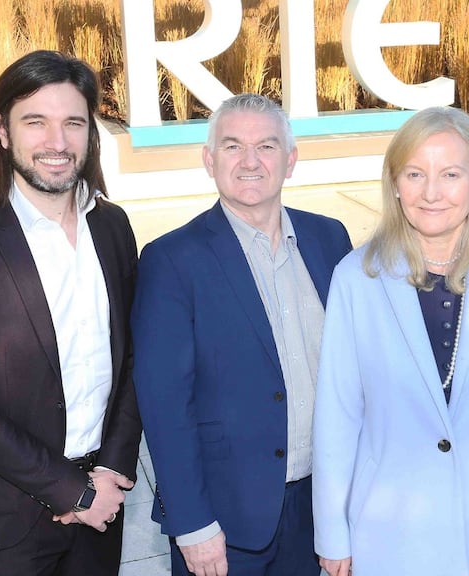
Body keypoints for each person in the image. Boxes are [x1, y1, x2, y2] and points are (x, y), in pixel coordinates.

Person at [0, 50, 142, 576]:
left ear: (92, 133)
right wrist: (73, 491)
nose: (57, 143)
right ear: (2, 131)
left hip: (102, 502)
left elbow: (134, 359)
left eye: (73, 123)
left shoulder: (113, 228)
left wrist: (110, 468)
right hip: (7, 521)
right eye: (35, 122)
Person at [312, 106, 469, 575]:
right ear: (395, 183)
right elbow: (338, 415)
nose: (431, 193)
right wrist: (332, 530)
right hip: (390, 533)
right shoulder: (356, 277)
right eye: (414, 173)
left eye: (450, 174)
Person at [131, 93, 353, 576]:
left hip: (323, 508)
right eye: (233, 146)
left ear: (290, 160)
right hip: (226, 523)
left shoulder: (330, 239)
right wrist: (191, 523)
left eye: (267, 146)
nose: (250, 161)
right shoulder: (172, 261)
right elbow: (164, 405)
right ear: (209, 160)